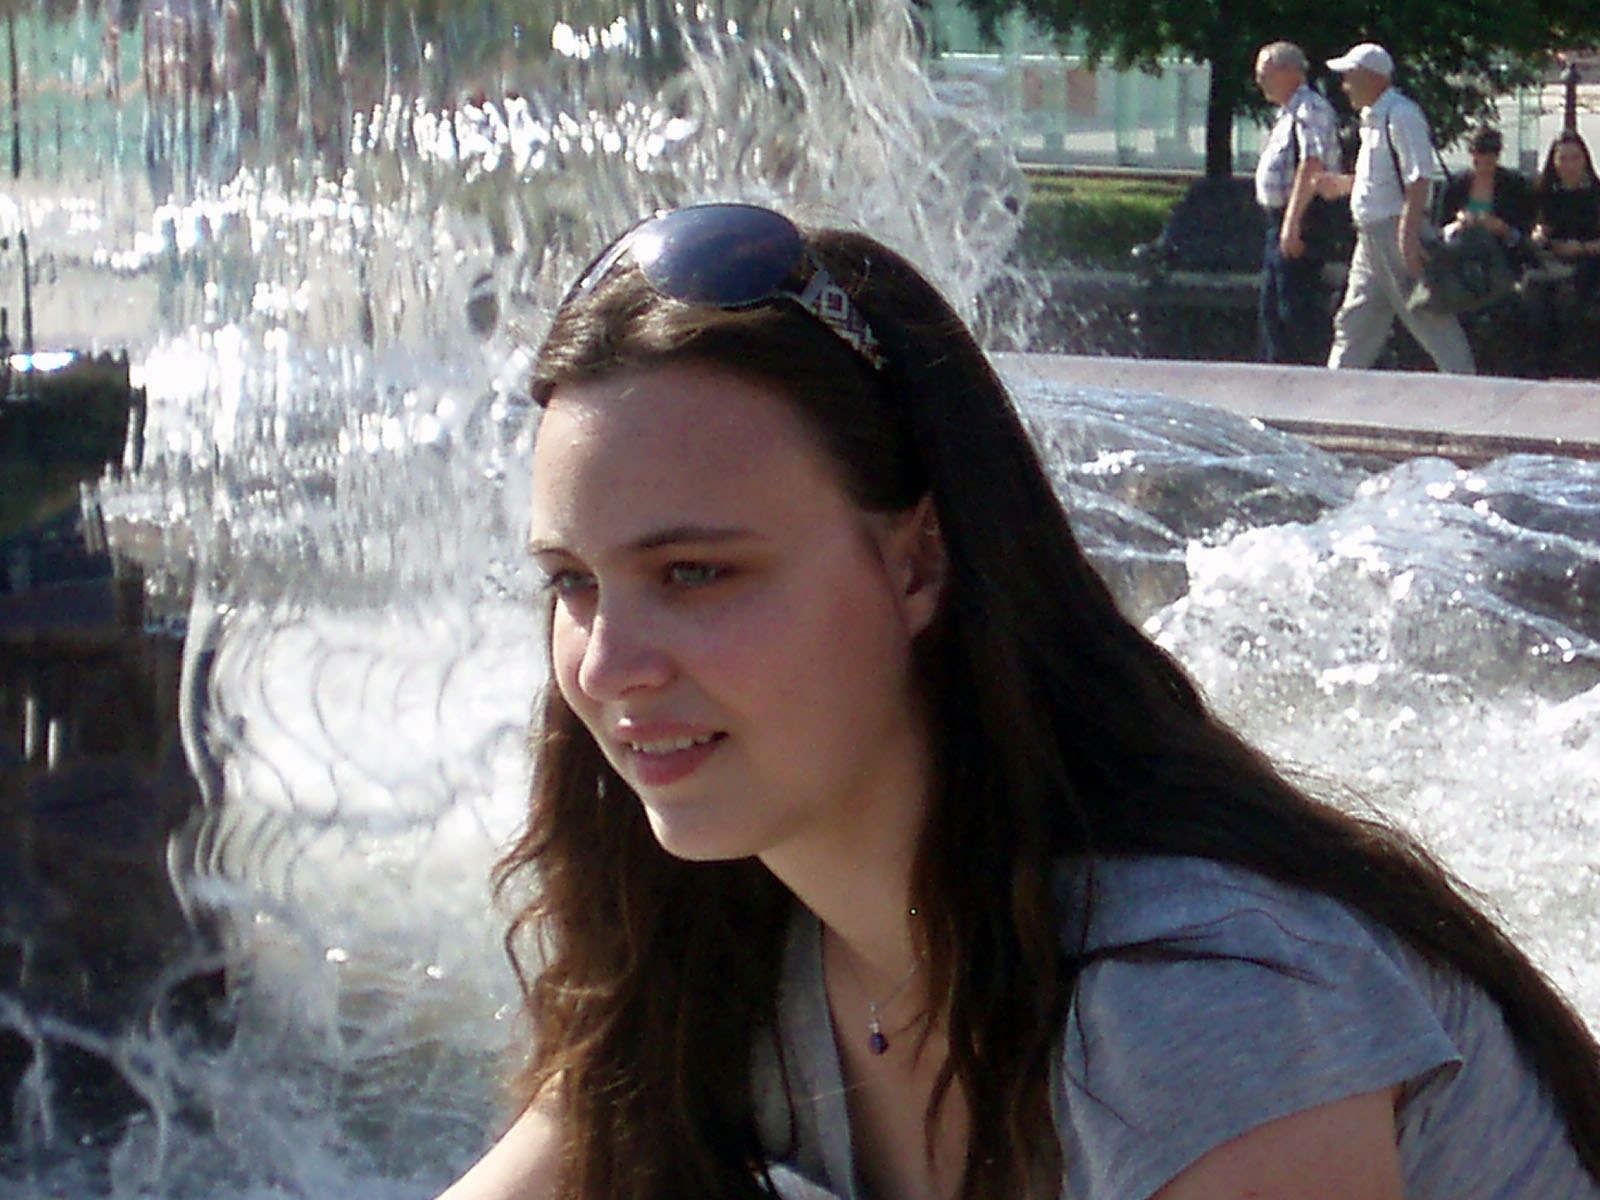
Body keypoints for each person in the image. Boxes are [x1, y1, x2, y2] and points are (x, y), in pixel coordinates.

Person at [440, 202, 1600, 1200]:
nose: (607, 664)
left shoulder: (1202, 1001)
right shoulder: (737, 957)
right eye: (573, 583)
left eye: (695, 573)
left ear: (917, 563)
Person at [1315, 42, 1475, 374]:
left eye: (1349, 77)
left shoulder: (1401, 115)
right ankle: (1336, 388)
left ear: (1370, 76)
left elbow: (1419, 178)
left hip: (1394, 233)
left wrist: (1407, 237)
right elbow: (1381, 179)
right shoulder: (1372, 119)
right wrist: (1344, 185)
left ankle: (1467, 385)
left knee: (1427, 314)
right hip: (1370, 238)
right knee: (1355, 320)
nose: (1344, 86)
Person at [1251, 41, 1342, 365]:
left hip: (1303, 218)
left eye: (1266, 73)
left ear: (1291, 72)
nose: (1259, 80)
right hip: (1280, 220)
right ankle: (1277, 378)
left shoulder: (1310, 108)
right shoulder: (1288, 113)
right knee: (1273, 310)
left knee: (1295, 309)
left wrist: (1292, 224)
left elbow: (1312, 164)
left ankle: (1307, 376)